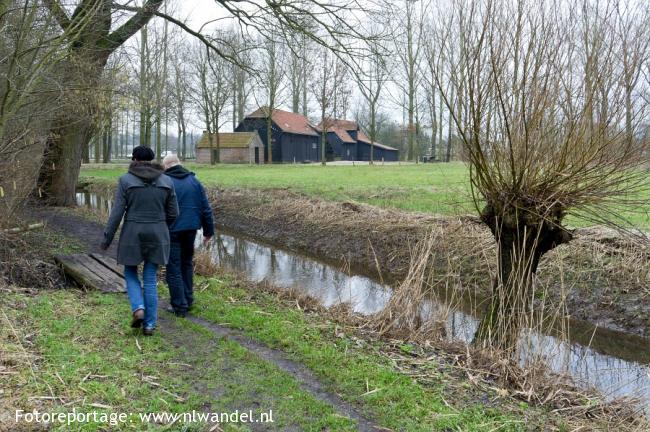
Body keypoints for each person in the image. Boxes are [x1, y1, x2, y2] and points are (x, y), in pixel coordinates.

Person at [101, 146, 178, 336]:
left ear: (134, 159)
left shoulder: (125, 180)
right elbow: (174, 213)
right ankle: (150, 325)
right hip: (158, 233)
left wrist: (106, 239)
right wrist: (160, 224)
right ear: (152, 160)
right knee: (150, 279)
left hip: (132, 234)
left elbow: (117, 212)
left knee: (130, 271)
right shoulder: (167, 180)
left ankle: (138, 308)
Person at [162, 154, 214, 317]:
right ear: (179, 163)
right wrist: (208, 231)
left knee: (173, 267)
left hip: (171, 230)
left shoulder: (164, 182)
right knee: (186, 264)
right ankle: (188, 299)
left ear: (166, 166)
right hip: (191, 229)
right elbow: (206, 208)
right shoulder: (194, 181)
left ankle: (179, 306)